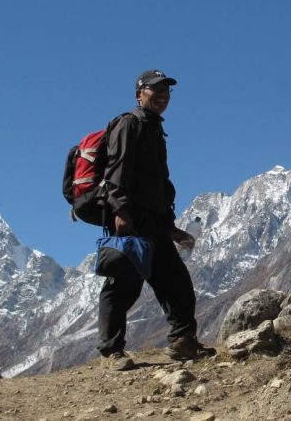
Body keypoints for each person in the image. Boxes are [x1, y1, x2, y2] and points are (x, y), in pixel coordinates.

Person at [97, 69, 215, 370]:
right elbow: (117, 171)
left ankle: (183, 342)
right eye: (155, 90)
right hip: (130, 220)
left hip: (154, 222)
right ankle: (112, 352)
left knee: (175, 282)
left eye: (166, 92)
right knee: (123, 285)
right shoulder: (129, 124)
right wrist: (121, 212)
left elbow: (157, 184)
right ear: (139, 93)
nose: (162, 96)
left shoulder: (154, 129)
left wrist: (170, 226)